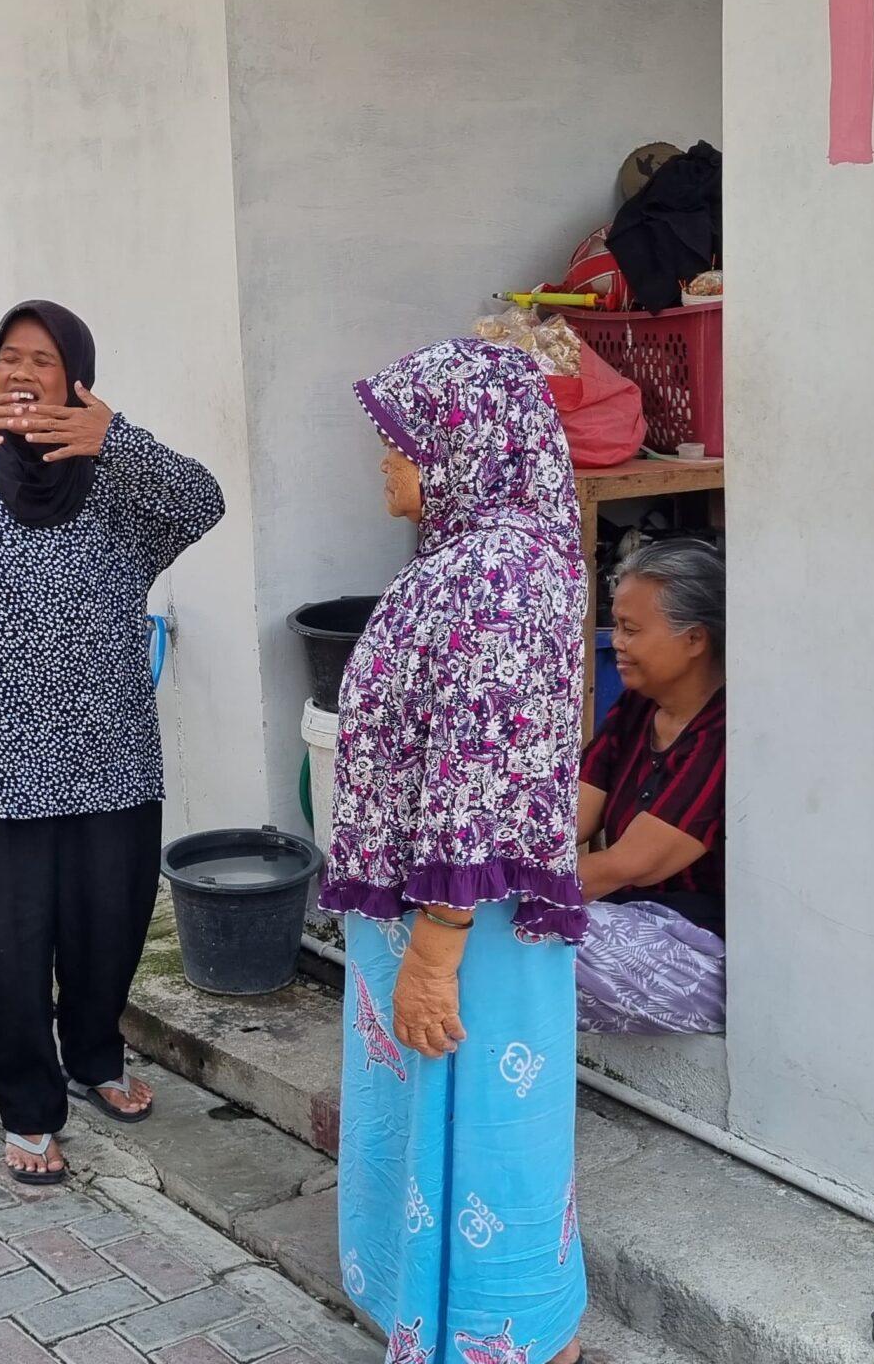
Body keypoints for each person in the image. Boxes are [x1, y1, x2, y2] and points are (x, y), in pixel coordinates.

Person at [0, 300, 223, 1186]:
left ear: (76, 378)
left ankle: (96, 1059)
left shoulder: (114, 477)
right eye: (7, 358)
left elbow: (206, 500)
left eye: (42, 360)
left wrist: (119, 439)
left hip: (107, 749)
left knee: (107, 928)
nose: (22, 373)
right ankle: (28, 1108)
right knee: (6, 940)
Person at [320, 338, 588, 1364]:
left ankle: (507, 1340)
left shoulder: (496, 570)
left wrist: (436, 951)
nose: (384, 458)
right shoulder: (473, 558)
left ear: (459, 442)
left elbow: (483, 760)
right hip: (443, 917)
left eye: (399, 438)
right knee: (454, 1137)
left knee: (488, 1149)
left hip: (466, 930)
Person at [575, 539, 729, 1035]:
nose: (616, 642)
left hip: (703, 953)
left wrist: (498, 897)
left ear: (695, 639)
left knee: (519, 937)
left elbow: (630, 864)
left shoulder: (726, 729)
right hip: (627, 926)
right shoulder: (641, 705)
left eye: (630, 629)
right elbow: (568, 816)